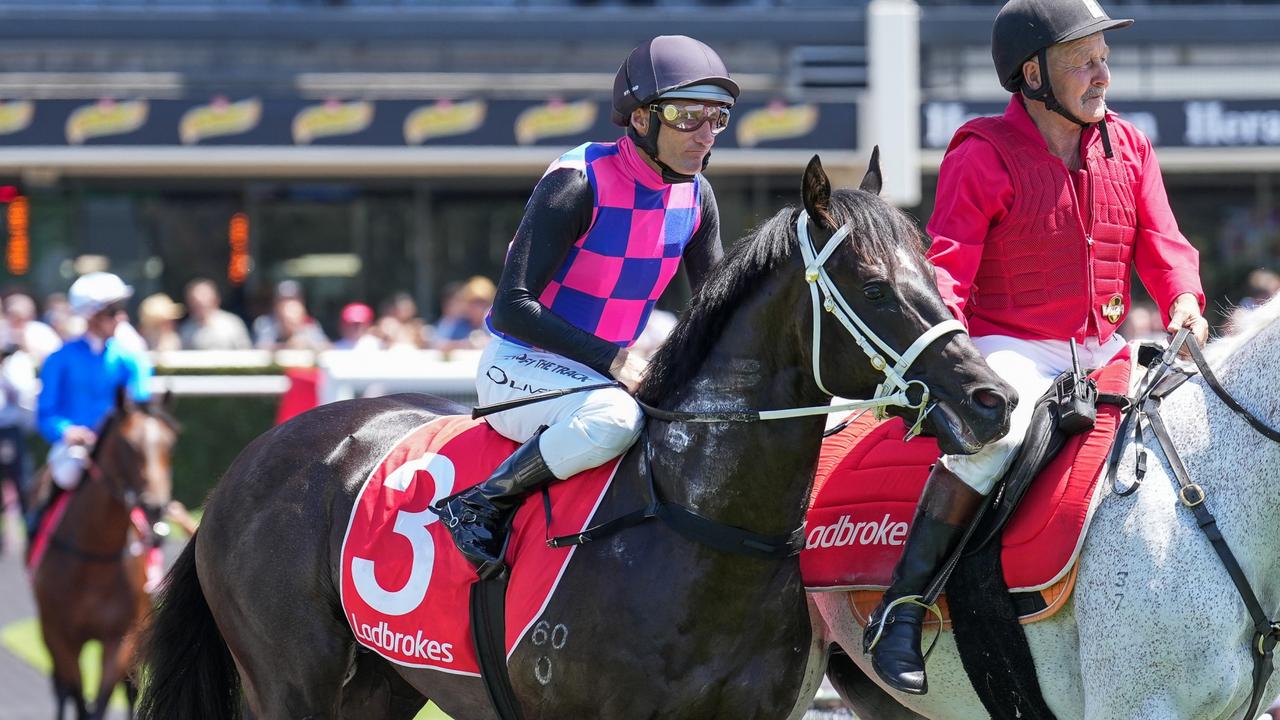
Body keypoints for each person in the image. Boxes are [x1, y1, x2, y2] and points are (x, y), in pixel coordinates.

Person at [863, 0, 1209, 696]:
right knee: (998, 438)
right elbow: (948, 271)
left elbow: (1163, 241)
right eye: (1084, 60)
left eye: (1103, 59)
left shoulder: (1130, 146)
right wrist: (947, 368)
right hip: (1011, 346)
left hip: (1108, 344)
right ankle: (901, 607)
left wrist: (1184, 300)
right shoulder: (981, 152)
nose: (1101, 74)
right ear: (1032, 74)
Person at [433, 34, 735, 577]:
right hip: (519, 363)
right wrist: (619, 361)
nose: (706, 133)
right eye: (688, 115)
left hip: (598, 371)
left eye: (718, 116)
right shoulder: (578, 182)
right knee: (615, 419)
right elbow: (511, 308)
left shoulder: (698, 195)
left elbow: (715, 311)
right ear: (641, 119)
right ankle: (483, 501)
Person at [28, 272, 152, 540]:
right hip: (76, 448)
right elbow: (46, 413)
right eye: (114, 311)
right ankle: (37, 543)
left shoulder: (127, 357)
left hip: (117, 447)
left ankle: (154, 546)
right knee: (65, 476)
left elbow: (142, 395)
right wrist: (67, 431)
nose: (122, 317)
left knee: (150, 482)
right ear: (91, 315)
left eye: (122, 310)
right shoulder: (60, 359)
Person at [179, 278, 252, 350]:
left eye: (203, 301)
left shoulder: (232, 324)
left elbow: (245, 351)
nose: (199, 305)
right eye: (195, 303)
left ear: (215, 300)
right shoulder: (186, 329)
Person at [430, 276, 497, 353]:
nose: (477, 307)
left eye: (482, 302)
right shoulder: (459, 323)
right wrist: (466, 344)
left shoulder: (495, 324)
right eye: (473, 302)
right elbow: (439, 344)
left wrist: (485, 342)